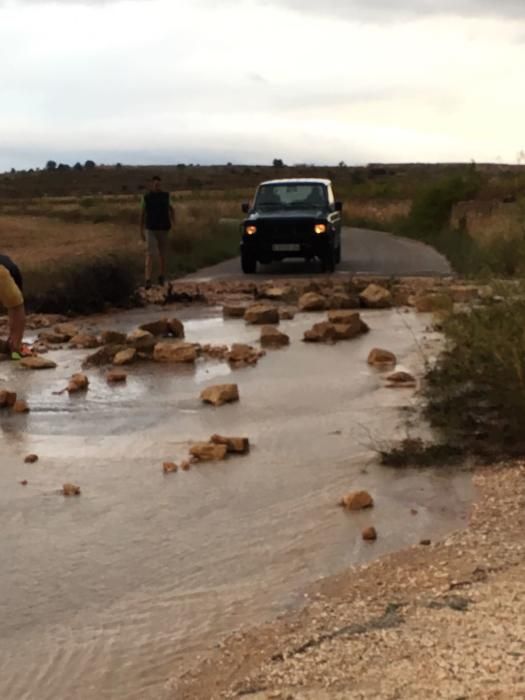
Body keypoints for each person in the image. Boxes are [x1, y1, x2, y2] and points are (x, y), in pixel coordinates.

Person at [139, 175, 175, 288]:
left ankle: (161, 276)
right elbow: (142, 214)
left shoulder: (166, 196)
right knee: (150, 253)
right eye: (155, 184)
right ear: (152, 184)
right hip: (150, 228)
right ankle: (148, 279)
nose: (157, 186)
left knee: (162, 254)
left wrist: (174, 222)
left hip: (164, 228)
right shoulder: (146, 197)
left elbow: (172, 209)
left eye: (158, 184)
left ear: (161, 184)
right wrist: (140, 229)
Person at [0, 254, 26, 360]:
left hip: (6, 271)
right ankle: (15, 348)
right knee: (15, 306)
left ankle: (14, 347)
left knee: (15, 305)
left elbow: (15, 307)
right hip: (7, 269)